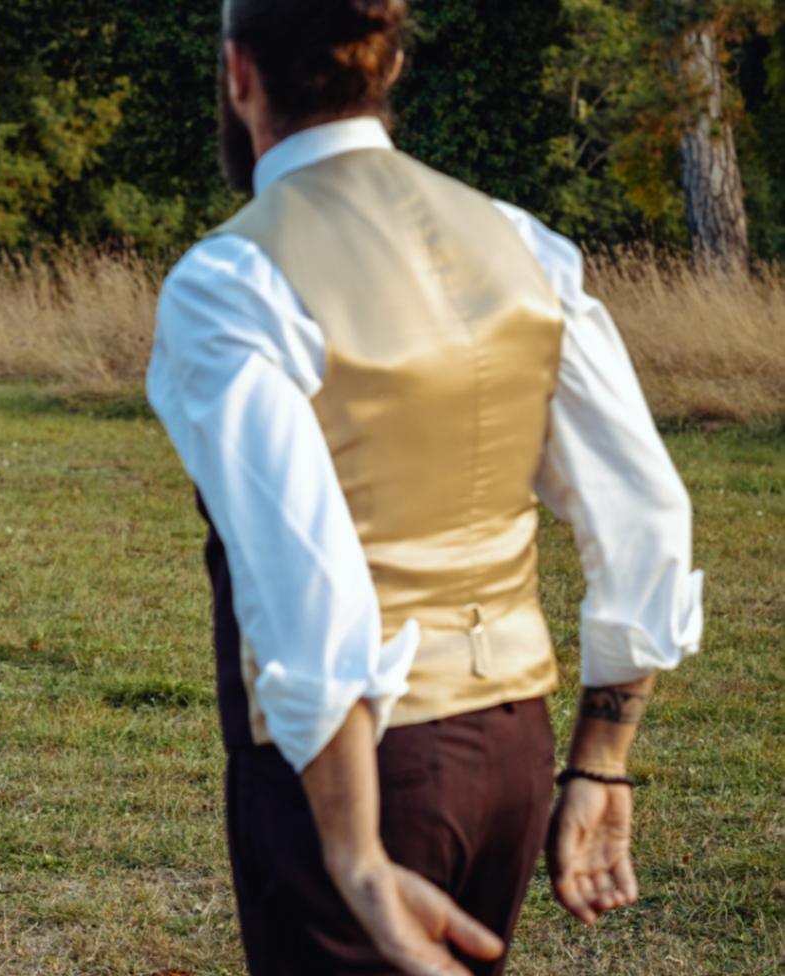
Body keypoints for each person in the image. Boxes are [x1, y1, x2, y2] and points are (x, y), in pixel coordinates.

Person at [145, 2, 703, 974]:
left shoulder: (231, 279)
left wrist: (354, 854)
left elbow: (304, 580)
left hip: (360, 768)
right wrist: (602, 757)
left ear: (238, 74)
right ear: (389, 66)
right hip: (512, 755)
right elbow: (644, 507)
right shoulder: (522, 242)